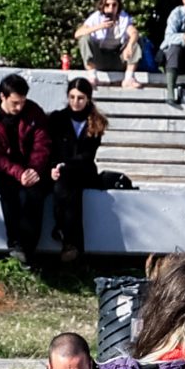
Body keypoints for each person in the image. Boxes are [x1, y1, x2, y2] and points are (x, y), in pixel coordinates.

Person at [0, 75, 56, 264]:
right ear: (2, 97)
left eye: (22, 102)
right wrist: (18, 173)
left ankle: (28, 249)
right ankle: (15, 244)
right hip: (4, 171)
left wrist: (33, 170)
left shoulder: (33, 112)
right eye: (15, 103)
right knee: (9, 195)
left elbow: (42, 144)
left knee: (35, 195)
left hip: (32, 169)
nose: (19, 107)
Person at [46, 79, 109, 262]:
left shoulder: (96, 122)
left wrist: (64, 166)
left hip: (83, 171)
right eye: (72, 97)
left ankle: (62, 230)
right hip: (61, 171)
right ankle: (73, 245)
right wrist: (54, 167)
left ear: (88, 99)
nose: (75, 102)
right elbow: (50, 148)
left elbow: (87, 155)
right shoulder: (57, 119)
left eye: (80, 98)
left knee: (67, 183)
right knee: (66, 187)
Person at [72, 0, 142, 89]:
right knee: (84, 39)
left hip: (118, 58)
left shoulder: (123, 18)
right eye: (107, 5)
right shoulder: (96, 17)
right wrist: (99, 26)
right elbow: (77, 34)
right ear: (103, 5)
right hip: (100, 58)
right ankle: (93, 77)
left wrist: (130, 45)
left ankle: (129, 78)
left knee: (134, 43)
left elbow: (134, 32)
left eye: (114, 5)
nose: (111, 8)